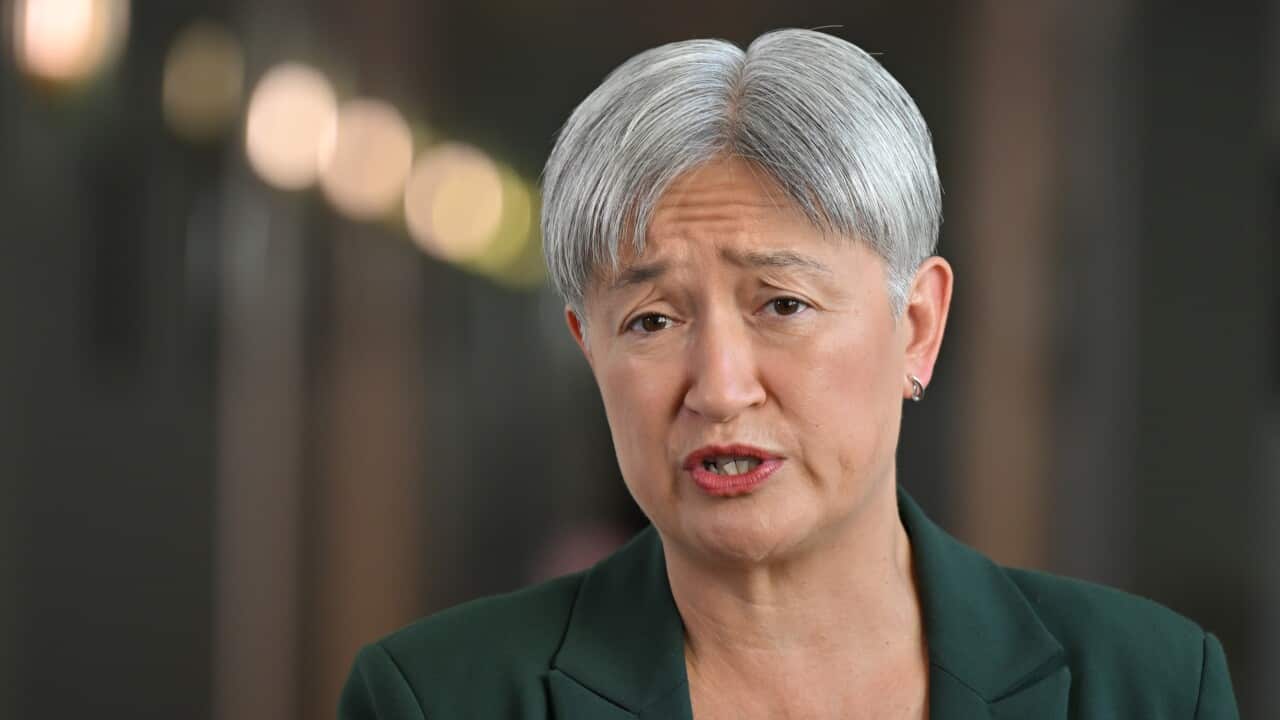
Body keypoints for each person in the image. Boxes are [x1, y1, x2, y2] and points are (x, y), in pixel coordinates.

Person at [339, 29, 1239, 719]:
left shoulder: (1149, 685)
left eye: (782, 305)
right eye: (652, 320)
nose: (722, 387)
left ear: (916, 327)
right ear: (588, 349)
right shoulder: (438, 696)